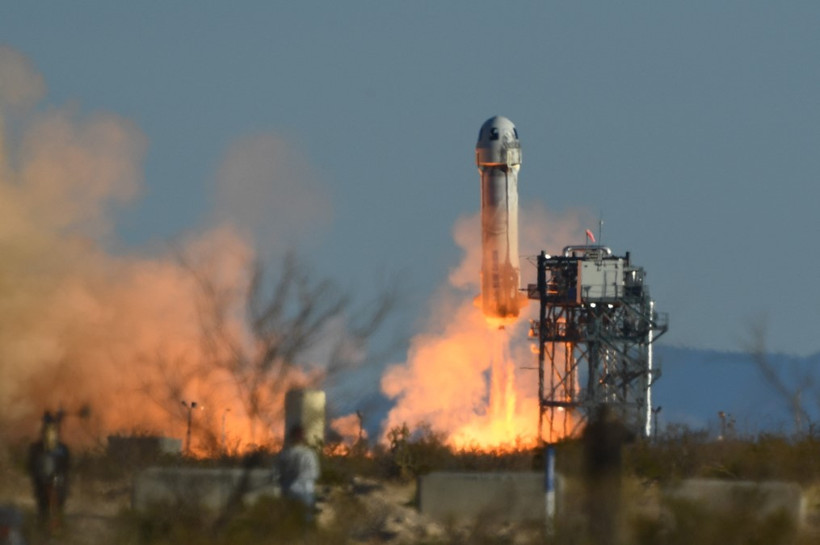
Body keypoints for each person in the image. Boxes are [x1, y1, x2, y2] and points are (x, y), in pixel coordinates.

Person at [27, 411, 70, 528]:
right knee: (43, 509)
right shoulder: (36, 449)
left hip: (58, 484)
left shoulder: (62, 449)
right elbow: (31, 467)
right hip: (41, 483)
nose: (50, 434)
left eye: (53, 430)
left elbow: (65, 467)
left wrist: (59, 480)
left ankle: (56, 530)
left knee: (56, 509)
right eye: (48, 430)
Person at [276, 425, 320, 521]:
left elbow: (276, 474)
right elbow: (314, 473)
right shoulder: (309, 454)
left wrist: (286, 480)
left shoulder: (284, 454)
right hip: (304, 492)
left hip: (289, 491)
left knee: (290, 523)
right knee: (304, 524)